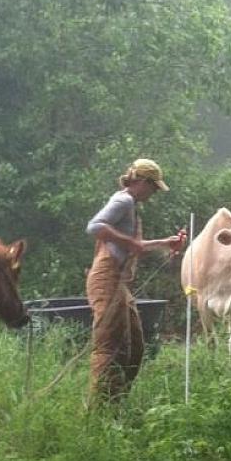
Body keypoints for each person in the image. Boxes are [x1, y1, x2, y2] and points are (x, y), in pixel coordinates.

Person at [85, 158, 185, 404]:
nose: (153, 193)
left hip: (119, 282)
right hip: (106, 279)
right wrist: (130, 243)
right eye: (153, 187)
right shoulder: (123, 200)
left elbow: (135, 246)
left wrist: (164, 243)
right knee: (111, 347)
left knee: (136, 347)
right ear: (141, 181)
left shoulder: (131, 205)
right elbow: (94, 226)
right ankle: (97, 412)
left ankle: (117, 403)